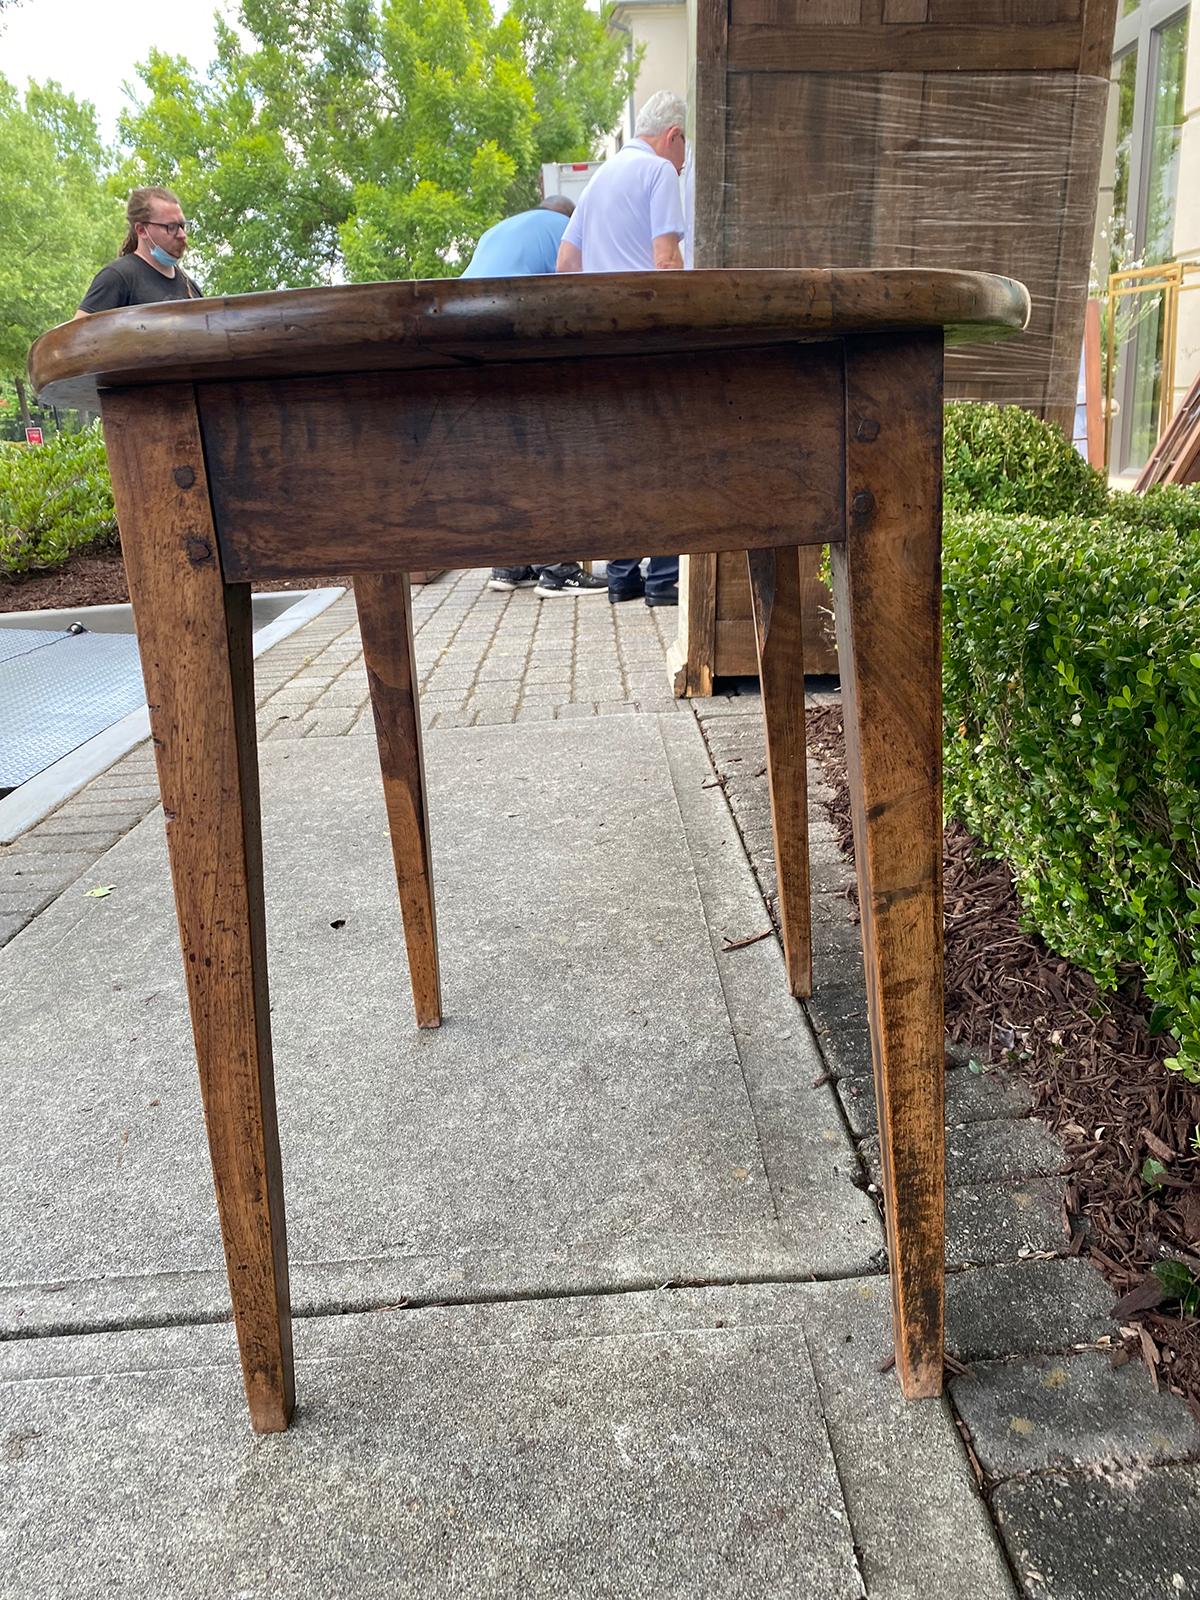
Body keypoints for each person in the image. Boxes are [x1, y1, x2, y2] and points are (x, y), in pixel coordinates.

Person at [555, 91, 687, 608]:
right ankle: (662, 581)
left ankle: (621, 575)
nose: (683, 160)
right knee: (666, 455)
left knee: (622, 458)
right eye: (683, 147)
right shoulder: (660, 174)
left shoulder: (599, 178)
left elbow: (567, 264)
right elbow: (666, 261)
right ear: (672, 136)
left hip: (606, 343)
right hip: (651, 338)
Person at [463, 197, 607, 599]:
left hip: (463, 342)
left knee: (508, 451)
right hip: (508, 333)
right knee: (544, 449)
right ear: (569, 216)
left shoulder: (498, 231)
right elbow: (578, 295)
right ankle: (557, 570)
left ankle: (511, 564)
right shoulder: (566, 229)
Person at [75, 187, 202, 316]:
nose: (181, 234)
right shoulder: (117, 277)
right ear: (141, 230)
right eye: (171, 227)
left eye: (182, 226)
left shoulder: (190, 287)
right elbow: (78, 333)